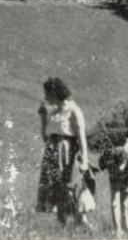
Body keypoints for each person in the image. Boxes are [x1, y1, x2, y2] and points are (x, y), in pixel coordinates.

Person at [36, 77, 94, 227]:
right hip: (52, 153)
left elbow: (81, 137)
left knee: (71, 187)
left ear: (55, 93)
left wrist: (85, 160)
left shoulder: (74, 110)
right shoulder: (54, 113)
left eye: (47, 93)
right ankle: (63, 226)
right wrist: (43, 119)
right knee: (55, 188)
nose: (45, 97)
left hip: (68, 153)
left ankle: (82, 222)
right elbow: (45, 137)